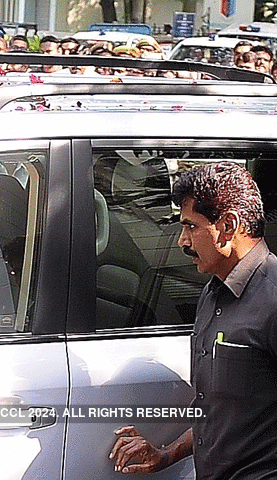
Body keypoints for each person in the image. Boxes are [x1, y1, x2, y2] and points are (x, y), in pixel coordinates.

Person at [110, 162, 277, 479]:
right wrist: (166, 454)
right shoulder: (212, 294)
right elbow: (218, 414)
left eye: (191, 227)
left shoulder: (272, 298)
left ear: (228, 226)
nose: (182, 242)